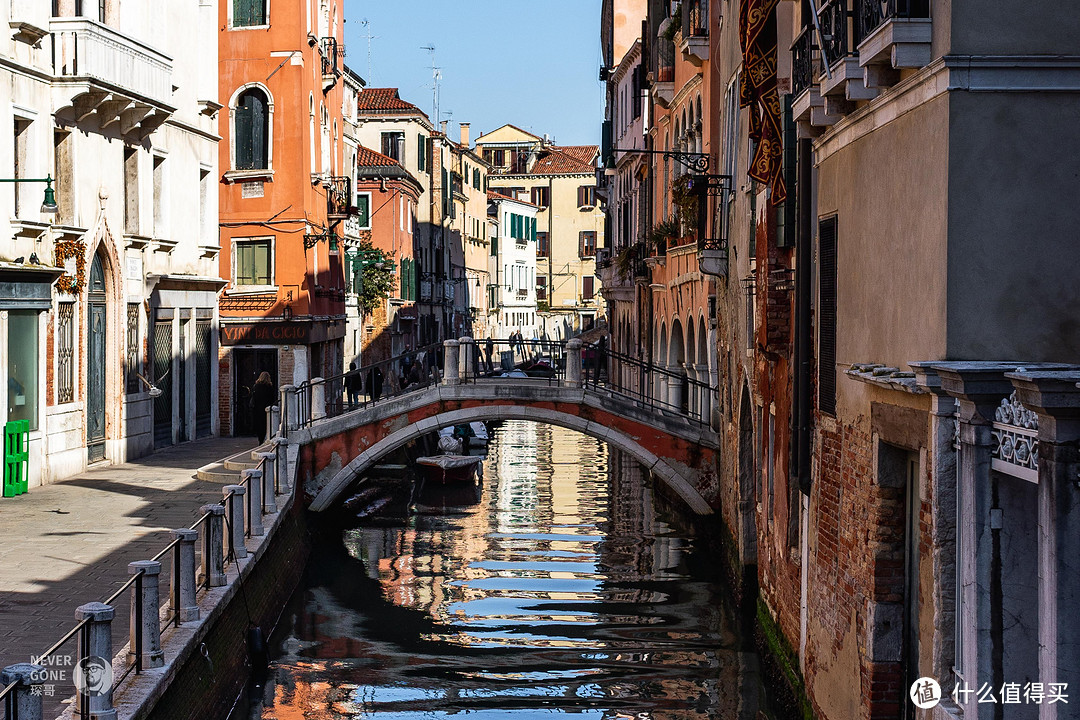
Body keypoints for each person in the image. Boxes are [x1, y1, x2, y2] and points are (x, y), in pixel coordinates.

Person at [250, 371, 276, 444]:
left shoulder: (256, 386)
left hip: (257, 409)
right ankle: (265, 438)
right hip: (266, 408)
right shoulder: (269, 387)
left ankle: (260, 439)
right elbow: (272, 398)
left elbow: (254, 398)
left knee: (259, 424)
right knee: (266, 424)